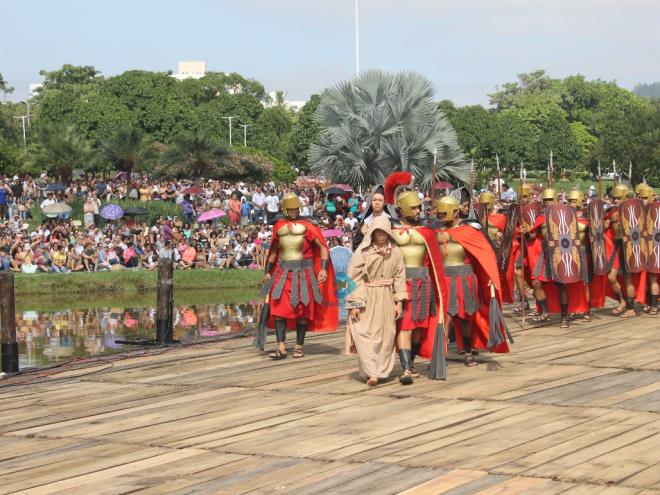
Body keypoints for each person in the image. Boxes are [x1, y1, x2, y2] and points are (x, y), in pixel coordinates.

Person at [383, 171, 447, 384]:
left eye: (419, 207)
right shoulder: (390, 231)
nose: (419, 211)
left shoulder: (427, 231)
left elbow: (434, 260)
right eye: (415, 208)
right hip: (402, 284)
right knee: (405, 326)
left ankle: (410, 362)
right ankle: (407, 369)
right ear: (401, 209)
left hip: (424, 283)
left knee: (419, 327)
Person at [257, 193, 338, 359]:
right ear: (285, 209)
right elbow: (274, 250)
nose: (294, 211)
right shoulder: (278, 226)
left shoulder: (308, 226)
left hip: (304, 272)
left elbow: (322, 247)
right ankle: (281, 348)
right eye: (291, 209)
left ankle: (299, 346)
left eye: (296, 208)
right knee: (278, 309)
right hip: (282, 272)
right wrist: (267, 271)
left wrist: (323, 268)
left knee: (303, 310)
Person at [435, 196, 510, 365]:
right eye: (438, 212)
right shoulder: (435, 232)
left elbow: (485, 254)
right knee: (444, 318)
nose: (440, 216)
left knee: (465, 317)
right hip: (444, 279)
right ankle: (439, 356)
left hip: (465, 277)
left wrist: (490, 276)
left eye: (443, 212)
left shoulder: (468, 230)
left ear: (454, 212)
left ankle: (468, 351)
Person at [345, 216, 407, 385]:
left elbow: (399, 277)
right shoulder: (364, 252)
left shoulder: (395, 252)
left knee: (387, 335)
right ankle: (371, 371)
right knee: (364, 333)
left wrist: (399, 302)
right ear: (372, 233)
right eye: (377, 232)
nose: (381, 235)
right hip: (367, 294)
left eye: (384, 232)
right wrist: (355, 304)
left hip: (386, 296)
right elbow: (353, 277)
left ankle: (380, 370)